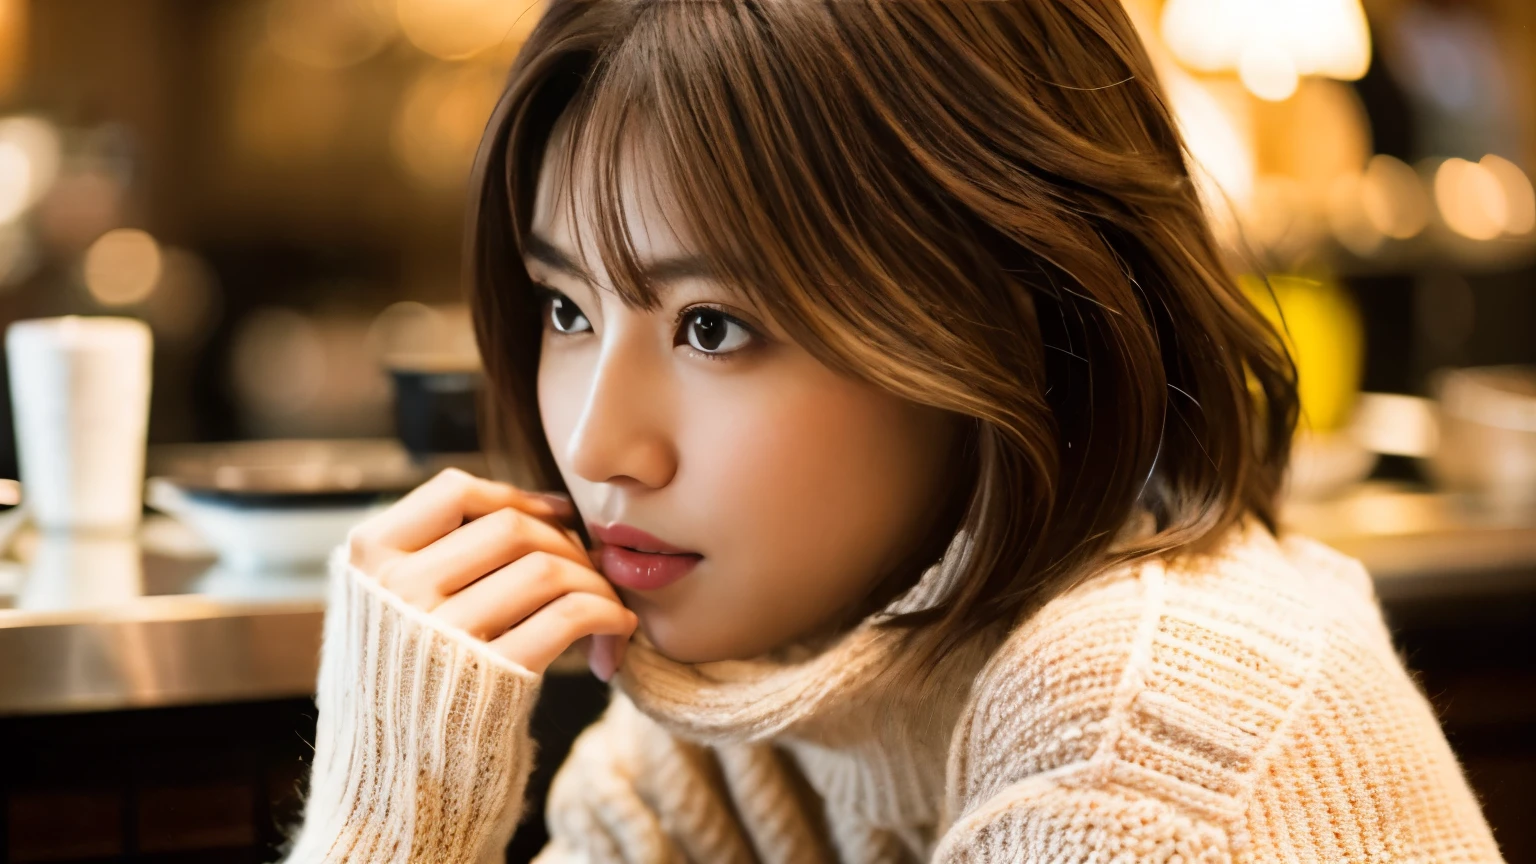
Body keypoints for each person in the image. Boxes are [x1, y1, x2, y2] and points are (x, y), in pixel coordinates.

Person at [279, 1, 1505, 861]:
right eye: (565, 307)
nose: (598, 445)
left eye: (713, 327)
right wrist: (389, 815)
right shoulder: (734, 739)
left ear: (1005, 316)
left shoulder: (1152, 709)